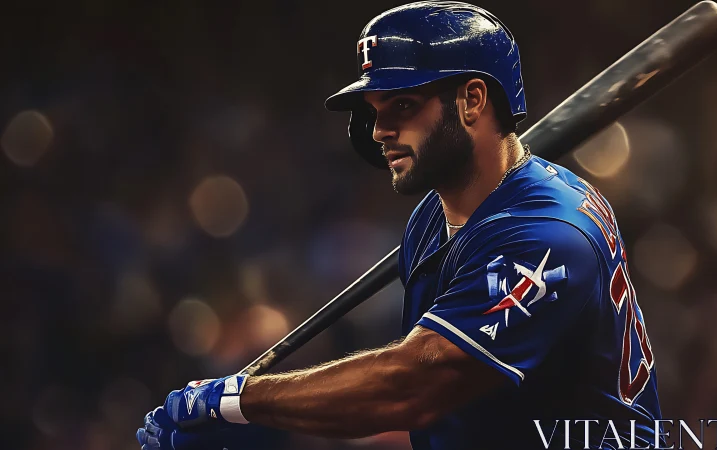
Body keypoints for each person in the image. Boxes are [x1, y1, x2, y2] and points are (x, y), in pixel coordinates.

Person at [137, 2, 663, 449]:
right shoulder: (434, 217)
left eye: (403, 105)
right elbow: (427, 415)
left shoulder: (548, 232)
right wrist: (259, 427)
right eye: (375, 109)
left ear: (473, 100)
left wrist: (236, 401)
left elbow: (413, 384)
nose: (381, 130)